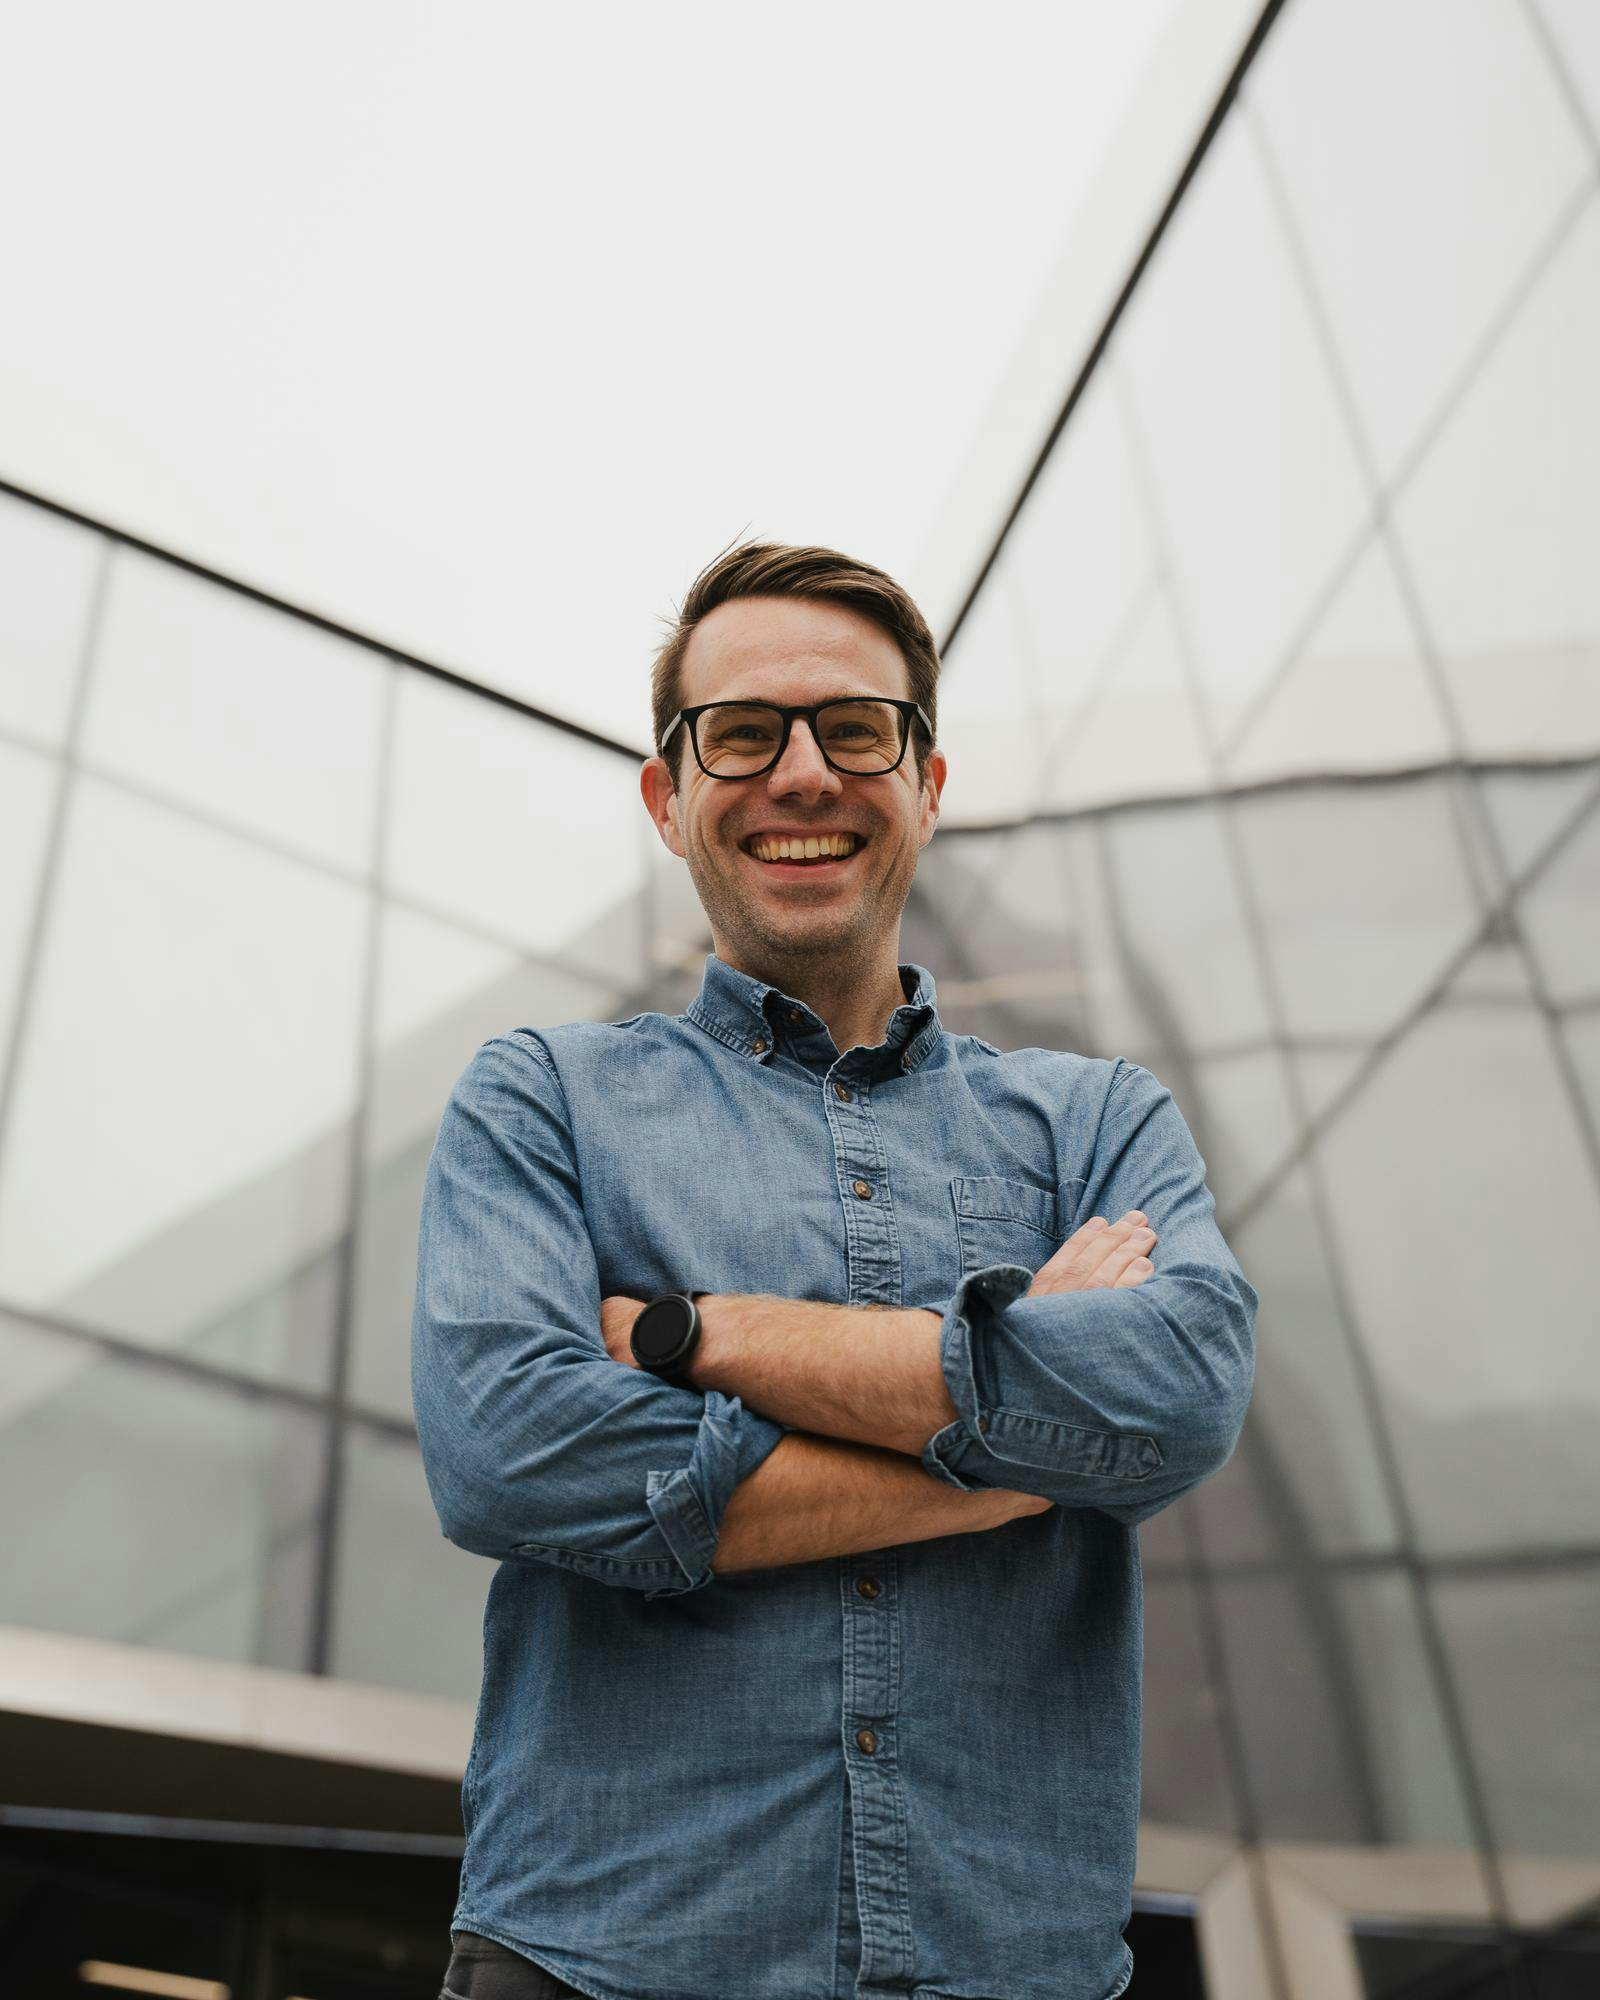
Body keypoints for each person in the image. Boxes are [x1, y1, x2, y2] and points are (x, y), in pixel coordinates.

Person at [413, 541, 1258, 2000]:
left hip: (1013, 1969)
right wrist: (1027, 1446)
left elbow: (1176, 1401)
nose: (801, 774)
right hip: (599, 1964)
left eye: (853, 729)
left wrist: (698, 1336)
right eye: (741, 734)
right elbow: (513, 1453)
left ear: (926, 782)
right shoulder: (541, 1096)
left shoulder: (1098, 1120)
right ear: (667, 799)